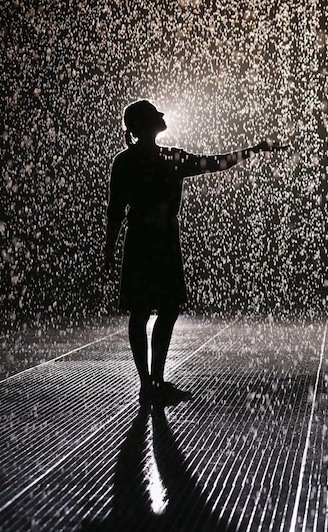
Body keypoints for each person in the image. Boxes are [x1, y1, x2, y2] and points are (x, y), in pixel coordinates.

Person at [103, 99, 286, 405]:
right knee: (164, 308)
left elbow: (115, 212)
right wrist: (254, 150)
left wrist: (109, 249)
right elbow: (215, 163)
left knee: (141, 310)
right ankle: (154, 382)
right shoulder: (170, 159)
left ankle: (149, 383)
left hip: (141, 241)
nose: (163, 115)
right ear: (146, 124)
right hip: (162, 241)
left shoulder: (126, 162)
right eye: (155, 113)